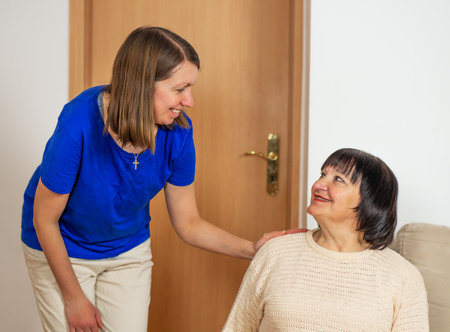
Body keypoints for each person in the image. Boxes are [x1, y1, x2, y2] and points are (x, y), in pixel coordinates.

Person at [21, 26, 282, 332]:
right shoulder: (78, 124)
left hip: (127, 250)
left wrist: (255, 249)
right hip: (63, 248)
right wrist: (74, 299)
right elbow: (44, 219)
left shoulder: (179, 133)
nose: (189, 101)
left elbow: (189, 223)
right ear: (143, 84)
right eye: (180, 89)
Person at [222, 148, 429, 331]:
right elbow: (237, 327)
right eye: (322, 174)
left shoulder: (403, 276)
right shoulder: (275, 252)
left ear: (370, 202)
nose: (319, 184)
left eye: (338, 179)